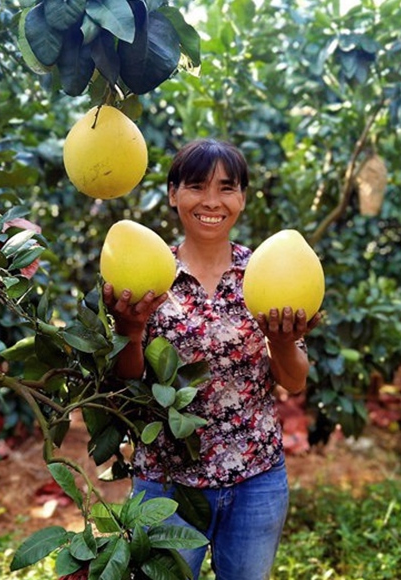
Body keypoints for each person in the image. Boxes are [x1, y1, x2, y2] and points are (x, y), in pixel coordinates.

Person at [102, 139, 320, 580]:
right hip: (166, 482)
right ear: (172, 194)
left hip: (256, 475)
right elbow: (128, 383)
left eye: (227, 188)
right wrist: (130, 332)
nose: (212, 202)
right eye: (197, 186)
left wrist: (282, 343)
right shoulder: (145, 272)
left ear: (242, 197)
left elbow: (294, 382)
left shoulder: (263, 273)